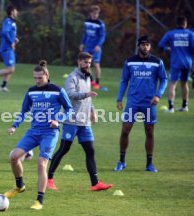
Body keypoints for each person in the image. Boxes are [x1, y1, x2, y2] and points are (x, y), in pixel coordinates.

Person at [4, 60, 73, 210]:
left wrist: (58, 119)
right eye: (35, 78)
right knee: (14, 157)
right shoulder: (31, 91)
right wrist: (14, 126)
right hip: (33, 132)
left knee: (41, 164)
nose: (37, 81)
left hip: (49, 133)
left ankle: (39, 201)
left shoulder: (58, 90)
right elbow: (24, 111)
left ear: (47, 76)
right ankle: (19, 186)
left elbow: (70, 109)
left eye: (39, 78)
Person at [47, 52, 112, 191]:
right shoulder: (72, 77)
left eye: (89, 63)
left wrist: (92, 111)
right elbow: (70, 94)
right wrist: (86, 94)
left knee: (90, 150)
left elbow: (88, 98)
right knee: (64, 149)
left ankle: (95, 183)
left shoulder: (88, 77)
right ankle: (49, 179)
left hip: (85, 122)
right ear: (78, 62)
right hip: (71, 121)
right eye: (85, 62)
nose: (88, 65)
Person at [114, 35, 168, 173]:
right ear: (138, 46)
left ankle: (149, 164)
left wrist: (158, 95)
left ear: (150, 47)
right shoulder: (130, 62)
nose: (145, 47)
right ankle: (121, 161)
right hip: (132, 102)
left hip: (149, 103)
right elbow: (124, 81)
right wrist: (119, 98)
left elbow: (164, 80)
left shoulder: (157, 62)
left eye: (148, 45)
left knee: (149, 132)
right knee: (125, 130)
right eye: (143, 44)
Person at [158, 16, 194, 112]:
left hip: (176, 62)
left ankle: (171, 107)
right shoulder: (190, 34)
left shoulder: (171, 34)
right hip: (187, 62)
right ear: (185, 24)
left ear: (177, 24)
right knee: (184, 83)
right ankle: (185, 106)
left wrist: (167, 49)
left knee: (173, 83)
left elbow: (160, 45)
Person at [79, 5, 106, 90]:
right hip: (88, 47)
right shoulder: (87, 22)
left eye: (97, 14)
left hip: (96, 48)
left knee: (96, 64)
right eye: (94, 13)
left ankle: (97, 83)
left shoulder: (100, 24)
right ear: (90, 13)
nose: (96, 15)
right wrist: (82, 43)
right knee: (86, 64)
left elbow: (102, 36)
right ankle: (91, 81)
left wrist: (99, 45)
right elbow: (85, 34)